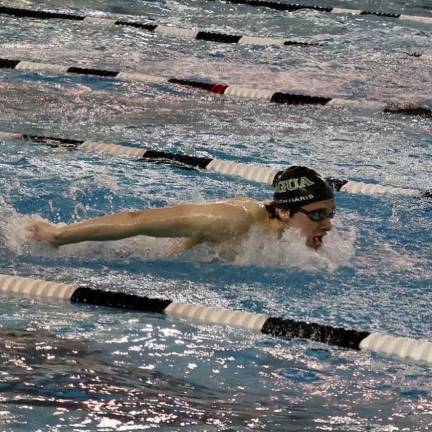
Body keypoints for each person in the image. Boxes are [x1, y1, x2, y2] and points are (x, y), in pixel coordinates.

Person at [31, 166, 336, 252]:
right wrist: (58, 235)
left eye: (330, 214)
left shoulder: (287, 234)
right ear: (284, 212)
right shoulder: (232, 221)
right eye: (319, 215)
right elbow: (137, 220)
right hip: (136, 255)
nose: (328, 225)